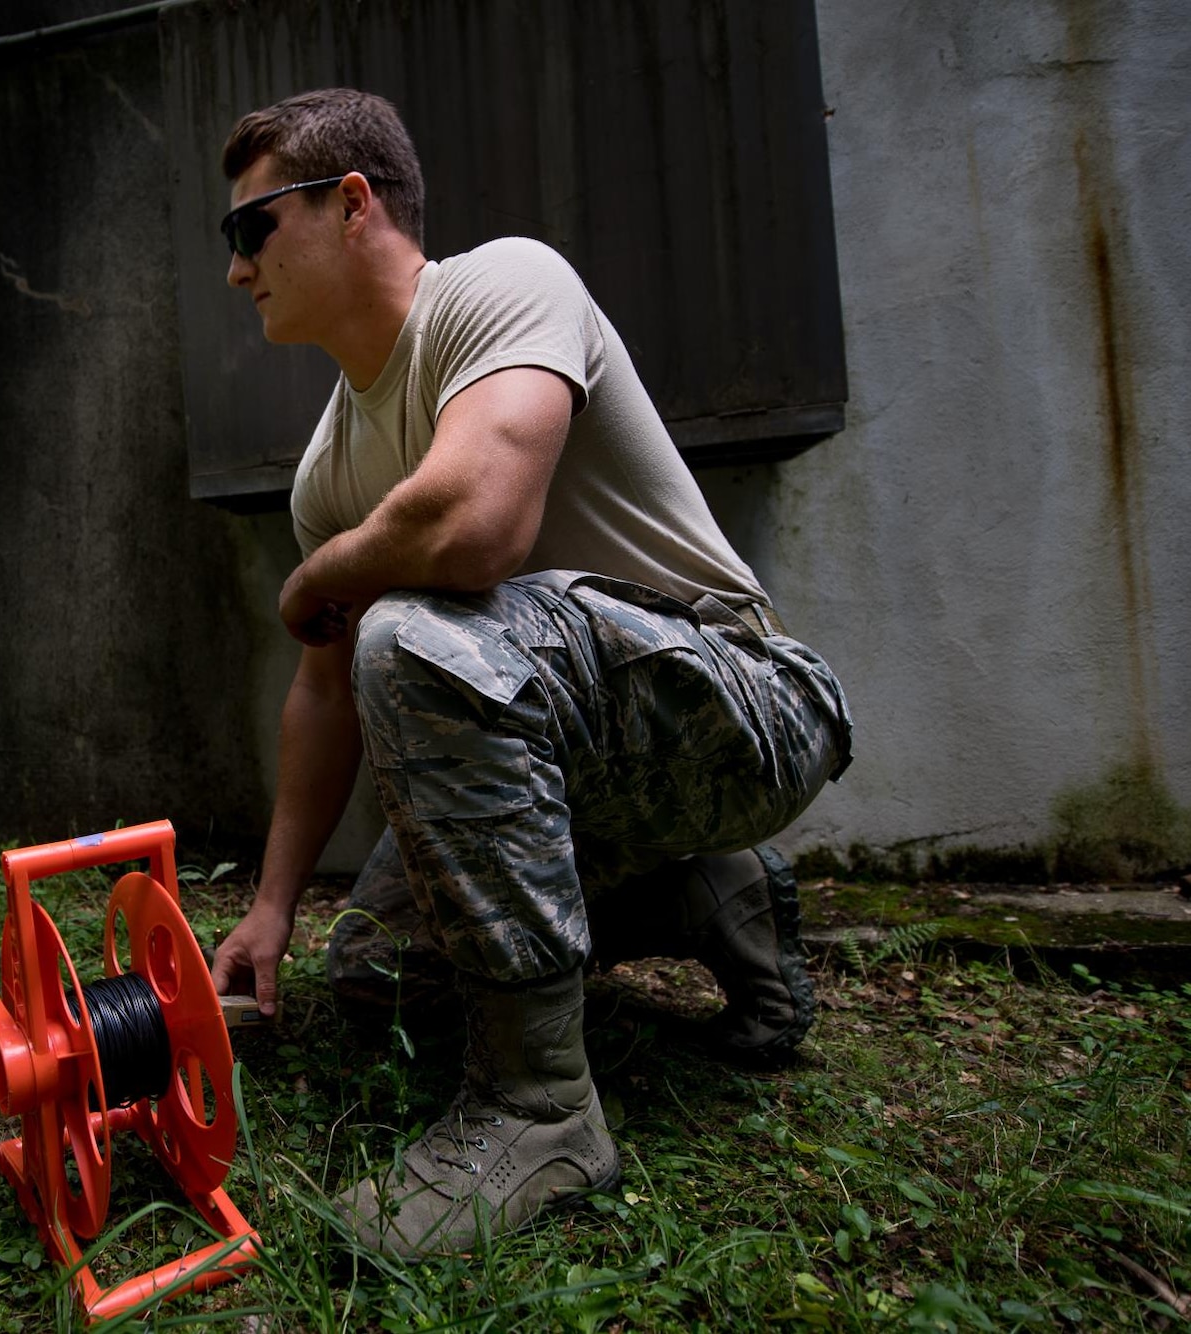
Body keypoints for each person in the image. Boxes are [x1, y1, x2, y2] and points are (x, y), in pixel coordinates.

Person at [204, 89, 854, 1257]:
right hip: (582, 753)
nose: (236, 269)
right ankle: (709, 896)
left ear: (351, 205)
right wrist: (271, 905)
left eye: (250, 230)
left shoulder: (503, 285)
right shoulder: (326, 471)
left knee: (409, 629)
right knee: (374, 966)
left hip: (744, 706)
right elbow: (321, 689)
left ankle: (539, 1108)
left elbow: (475, 524)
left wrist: (317, 585)